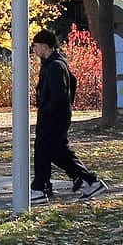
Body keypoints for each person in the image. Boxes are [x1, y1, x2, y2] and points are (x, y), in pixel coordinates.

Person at [31, 29, 106, 202]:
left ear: (43, 46)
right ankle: (88, 181)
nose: (34, 50)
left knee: (43, 151)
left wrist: (48, 110)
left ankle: (40, 188)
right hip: (54, 117)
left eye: (35, 46)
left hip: (54, 118)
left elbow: (60, 95)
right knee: (58, 153)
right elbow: (73, 81)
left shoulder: (56, 66)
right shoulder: (52, 63)